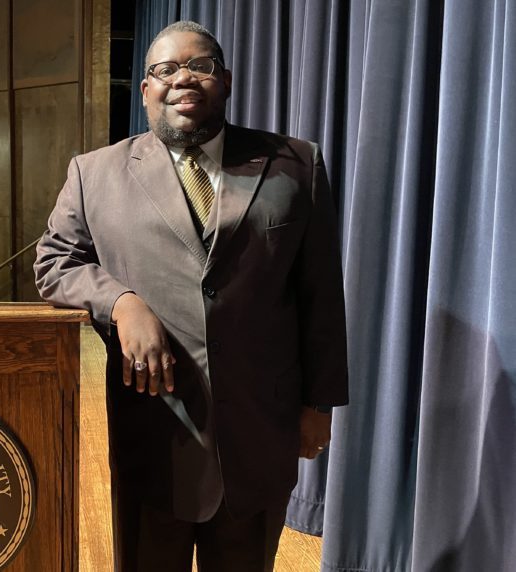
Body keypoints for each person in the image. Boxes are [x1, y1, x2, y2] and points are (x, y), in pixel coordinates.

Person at [35, 20, 348, 571]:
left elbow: (320, 293)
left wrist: (318, 405)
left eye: (199, 66)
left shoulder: (297, 165)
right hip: (153, 425)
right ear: (146, 90)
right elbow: (55, 262)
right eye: (165, 69)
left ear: (224, 80)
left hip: (259, 428)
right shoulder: (94, 173)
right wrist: (122, 301)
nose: (183, 77)